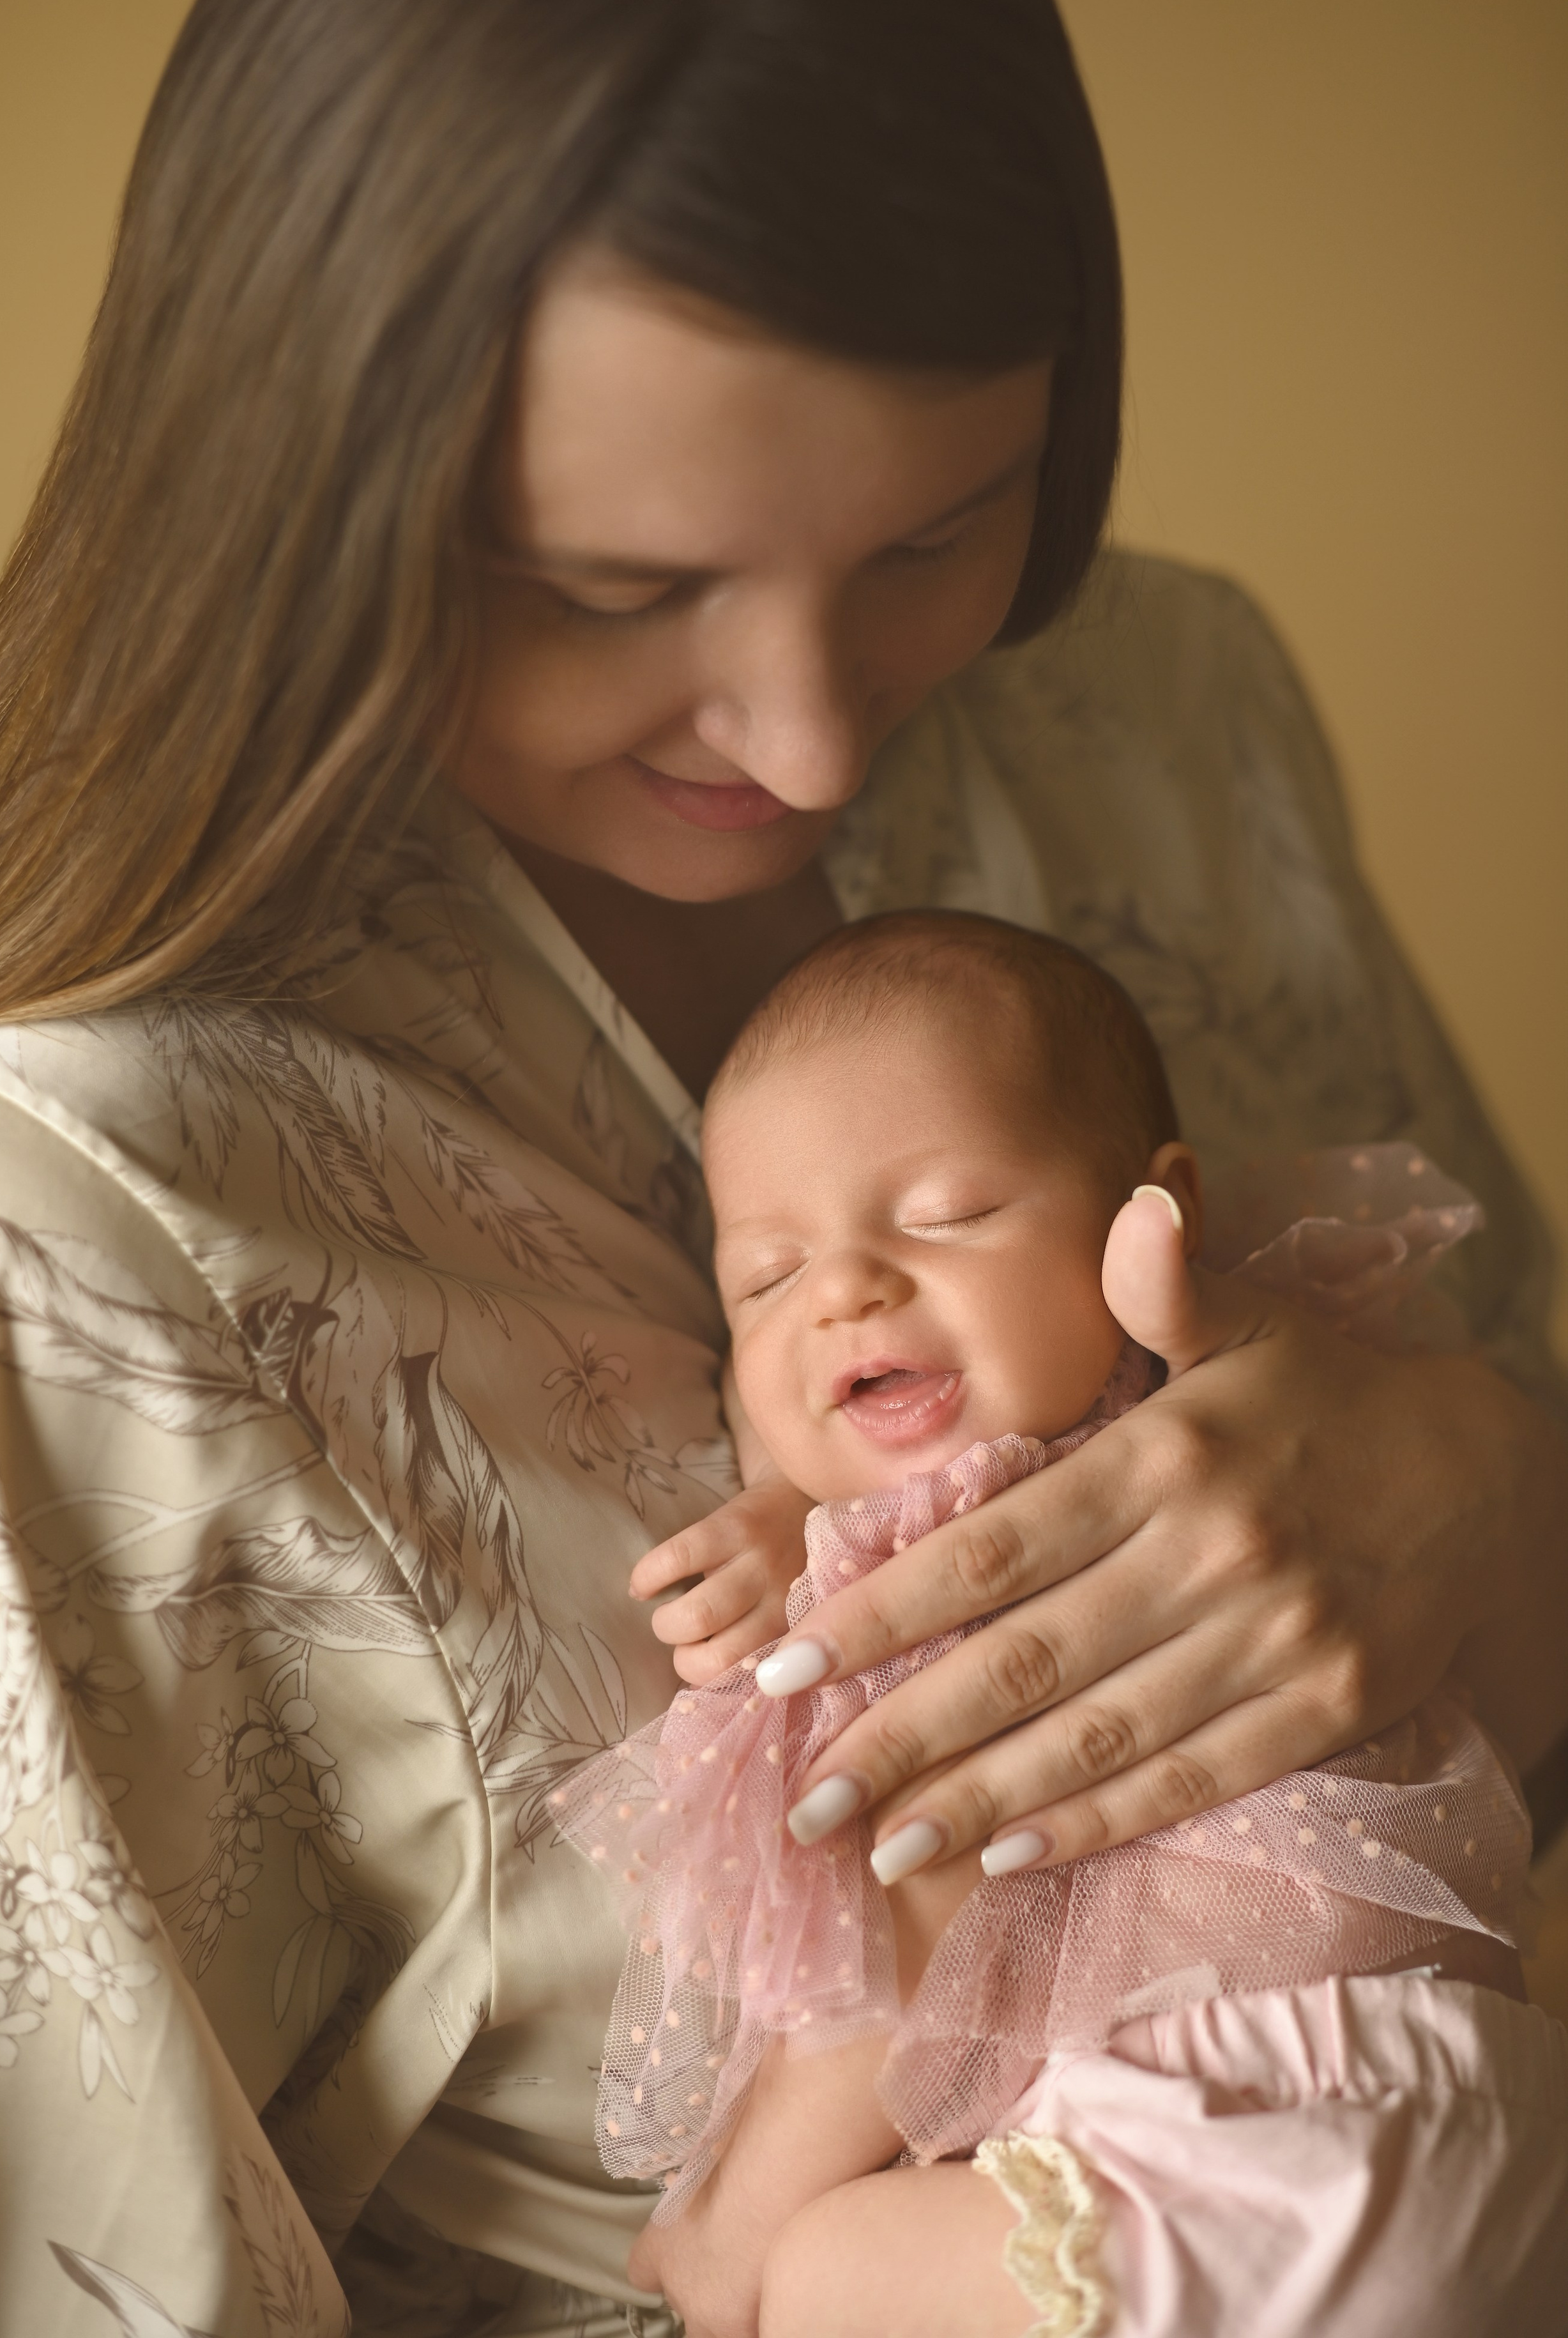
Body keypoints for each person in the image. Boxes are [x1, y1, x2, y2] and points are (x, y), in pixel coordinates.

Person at [0, 0, 1563, 2332]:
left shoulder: (1161, 709)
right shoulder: (56, 1247)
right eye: (612, 587)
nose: (808, 740)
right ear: (297, 500)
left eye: (933, 532)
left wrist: (1493, 1476)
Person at [564, 910, 1566, 2337]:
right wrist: (795, 1507)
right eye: (766, 1279)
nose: (844, 1289)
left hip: (1252, 2142)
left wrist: (727, 2221)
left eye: (946, 1212)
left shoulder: (1050, 1569)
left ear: (1153, 1215)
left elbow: (917, 1926)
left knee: (814, 2275)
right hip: (1471, 2119)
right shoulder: (1279, 1432)